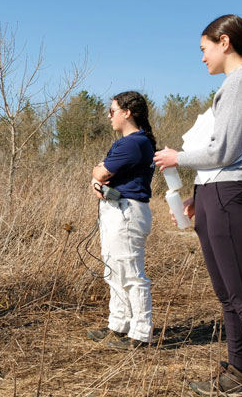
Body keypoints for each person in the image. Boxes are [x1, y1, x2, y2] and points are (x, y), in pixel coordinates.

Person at [154, 15, 242, 397]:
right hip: (218, 194)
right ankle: (236, 372)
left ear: (225, 42)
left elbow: (224, 150)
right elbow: (226, 156)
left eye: (204, 49)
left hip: (233, 197)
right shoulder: (238, 83)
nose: (202, 58)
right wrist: (198, 197)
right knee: (229, 295)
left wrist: (177, 157)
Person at [86, 91, 156, 350]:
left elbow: (101, 172)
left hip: (126, 212)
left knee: (130, 273)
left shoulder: (132, 143)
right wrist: (99, 175)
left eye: (112, 110)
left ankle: (139, 334)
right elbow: (102, 174)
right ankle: (119, 325)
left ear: (127, 112)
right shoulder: (133, 142)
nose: (108, 116)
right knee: (114, 271)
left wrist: (97, 174)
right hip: (117, 209)